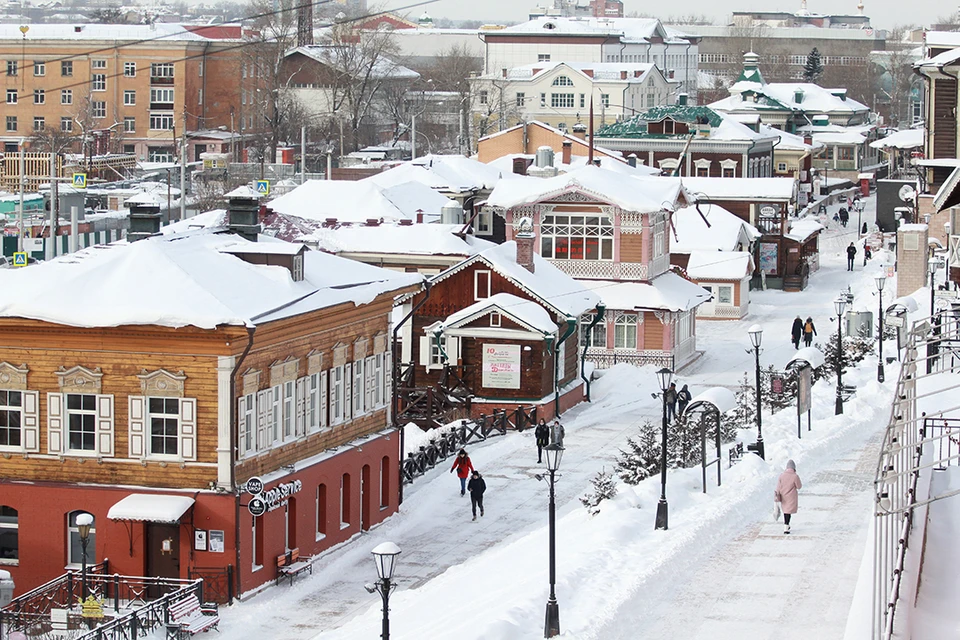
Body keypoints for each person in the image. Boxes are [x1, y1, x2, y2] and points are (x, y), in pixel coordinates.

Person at [775, 459, 803, 534]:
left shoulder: (781, 475)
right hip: (791, 497)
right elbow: (799, 486)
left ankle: (786, 526)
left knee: (786, 511)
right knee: (788, 512)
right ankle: (786, 526)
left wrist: (777, 495)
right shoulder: (795, 476)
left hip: (783, 496)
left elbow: (778, 486)